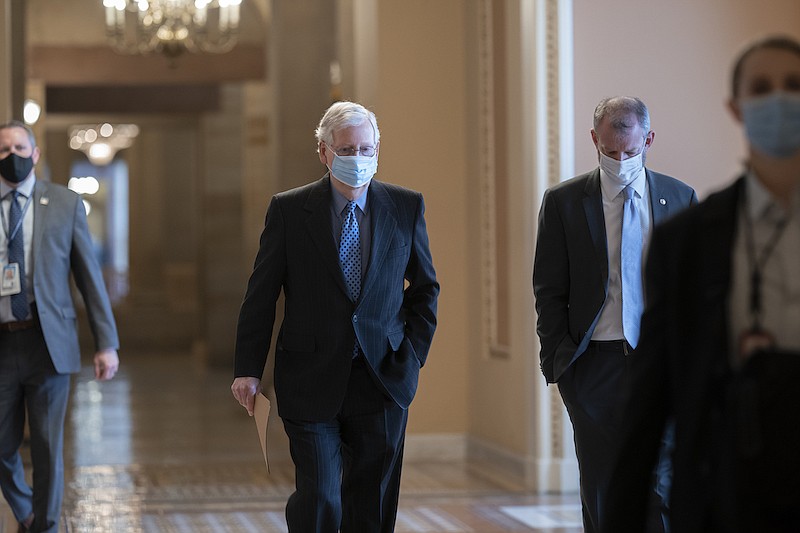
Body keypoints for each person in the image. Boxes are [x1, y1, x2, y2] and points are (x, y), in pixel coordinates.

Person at [603, 36, 800, 533]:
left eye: (793, 86)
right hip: (724, 486)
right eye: (762, 88)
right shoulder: (688, 241)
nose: (779, 99)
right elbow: (651, 395)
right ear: (737, 108)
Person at [231, 101, 439, 532]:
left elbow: (425, 289)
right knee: (321, 496)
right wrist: (248, 370)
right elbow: (261, 295)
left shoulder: (405, 206)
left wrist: (412, 356)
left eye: (366, 149)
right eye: (346, 150)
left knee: (372, 503)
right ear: (323, 152)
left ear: (378, 148)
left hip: (383, 378)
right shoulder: (289, 211)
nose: (357, 159)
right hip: (310, 379)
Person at [533, 97, 697, 533]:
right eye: (610, 152)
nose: (620, 161)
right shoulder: (564, 202)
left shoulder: (681, 197)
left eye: (630, 151)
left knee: (661, 487)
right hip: (593, 365)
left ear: (649, 140)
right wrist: (560, 363)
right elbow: (549, 291)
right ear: (594, 141)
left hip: (658, 363)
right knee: (602, 487)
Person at [0, 121, 120, 533]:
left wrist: (107, 343)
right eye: (3, 149)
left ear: (34, 154)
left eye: (19, 147)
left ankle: (46, 525)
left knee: (49, 448)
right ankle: (27, 512)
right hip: (2, 344)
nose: (11, 155)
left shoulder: (65, 203)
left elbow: (88, 277)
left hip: (48, 342)